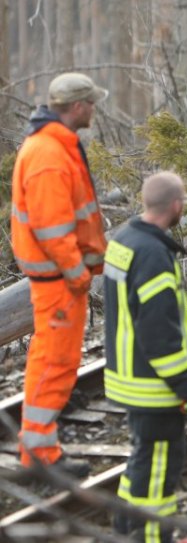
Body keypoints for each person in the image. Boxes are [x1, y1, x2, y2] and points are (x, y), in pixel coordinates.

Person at [10, 72, 109, 479]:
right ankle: (39, 455)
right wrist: (76, 272)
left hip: (58, 279)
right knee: (55, 362)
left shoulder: (55, 145)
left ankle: (39, 447)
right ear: (79, 107)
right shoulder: (49, 154)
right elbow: (52, 228)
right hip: (59, 282)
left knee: (52, 361)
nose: (94, 111)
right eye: (92, 104)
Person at [103, 171, 187, 542]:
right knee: (159, 476)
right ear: (176, 206)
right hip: (153, 387)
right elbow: (160, 337)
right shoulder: (153, 257)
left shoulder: (123, 240)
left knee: (141, 462)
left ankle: (123, 528)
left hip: (128, 378)